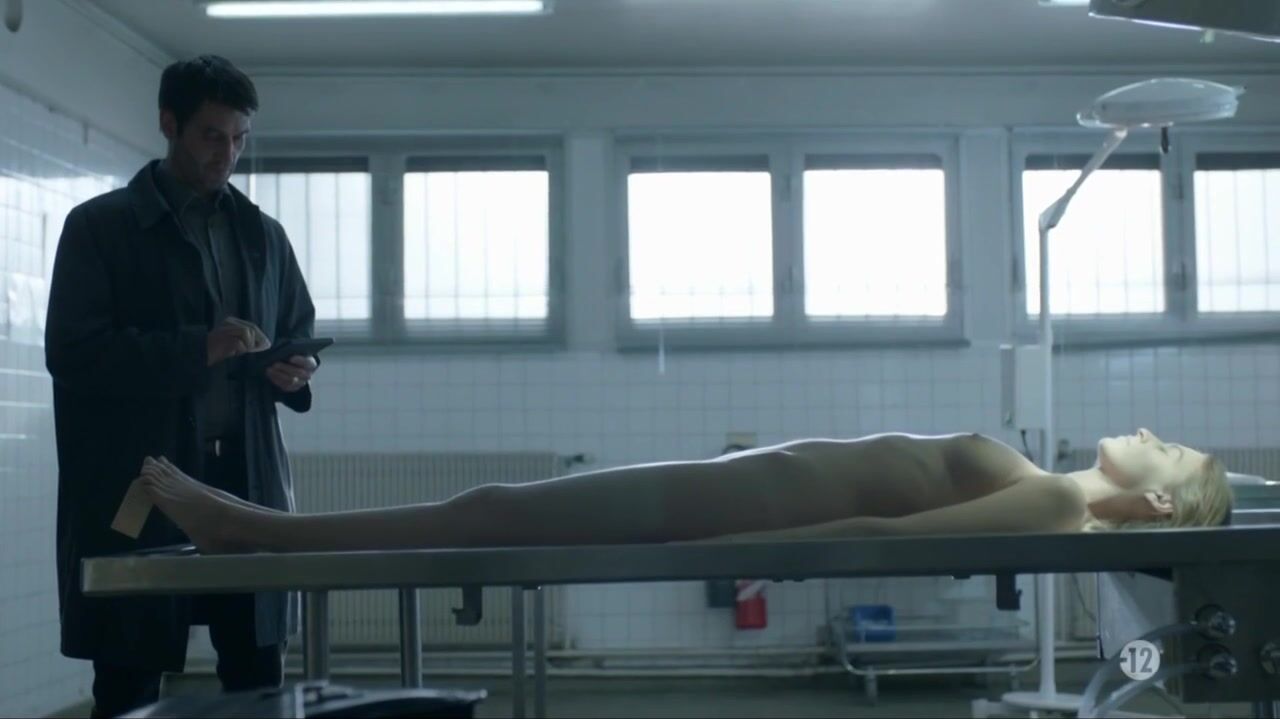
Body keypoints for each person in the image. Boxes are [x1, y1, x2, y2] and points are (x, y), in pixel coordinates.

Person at [45, 55, 319, 718]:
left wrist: (294, 370)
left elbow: (296, 329)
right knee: (129, 677)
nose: (228, 154)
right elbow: (73, 354)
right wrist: (198, 348)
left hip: (245, 479)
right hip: (145, 482)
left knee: (258, 675)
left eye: (240, 138)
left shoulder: (263, 235)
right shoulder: (100, 227)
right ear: (169, 124)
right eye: (211, 136)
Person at [131, 429, 1231, 556]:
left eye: (1171, 454)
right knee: (494, 504)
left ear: (1157, 506)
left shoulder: (1055, 505)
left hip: (731, 514)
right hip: (733, 490)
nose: (1151, 434)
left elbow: (880, 533)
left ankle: (251, 529)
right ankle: (256, 528)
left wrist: (731, 550)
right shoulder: (1046, 480)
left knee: (493, 512)